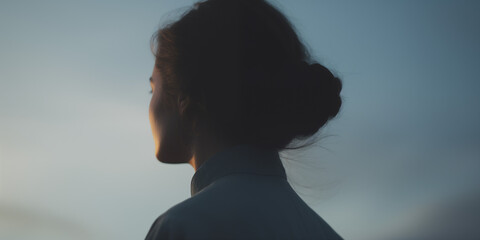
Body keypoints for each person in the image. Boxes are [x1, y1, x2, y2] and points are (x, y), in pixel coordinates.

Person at [146, 0, 343, 239]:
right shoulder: (325, 233)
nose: (150, 103)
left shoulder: (181, 227)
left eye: (152, 89)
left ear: (185, 97)